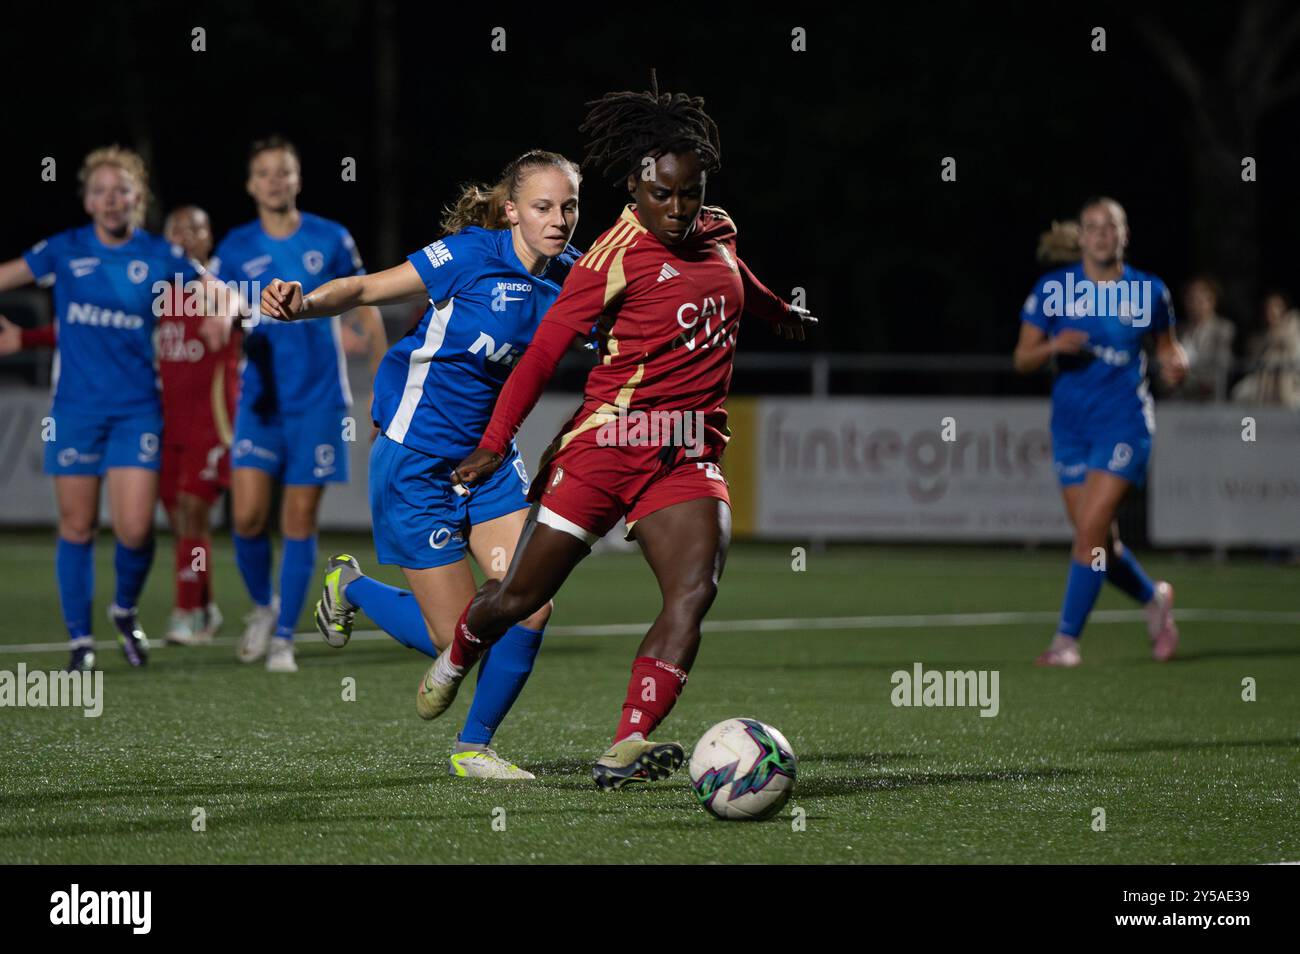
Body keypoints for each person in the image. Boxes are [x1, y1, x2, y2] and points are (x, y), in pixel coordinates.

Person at [411, 76, 817, 790]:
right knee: (516, 597)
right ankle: (457, 652)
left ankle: (627, 741)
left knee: (694, 590)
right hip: (607, 446)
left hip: (687, 449)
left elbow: (735, 280)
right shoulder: (610, 258)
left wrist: (778, 309)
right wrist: (493, 438)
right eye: (663, 194)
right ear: (635, 187)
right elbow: (540, 357)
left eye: (690, 192)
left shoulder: (715, 231)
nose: (679, 208)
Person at [260, 150, 582, 779]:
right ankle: (348, 585)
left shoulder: (572, 276)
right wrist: (302, 303)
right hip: (415, 464)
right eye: (543, 206)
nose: (559, 219)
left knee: (529, 604)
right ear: (512, 210)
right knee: (455, 636)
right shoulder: (467, 255)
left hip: (489, 467)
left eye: (569, 206)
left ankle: (473, 748)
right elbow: (363, 289)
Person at [0, 146, 213, 671]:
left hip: (137, 410)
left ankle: (123, 609)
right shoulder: (64, 249)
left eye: (121, 190)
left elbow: (218, 289)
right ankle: (80, 641)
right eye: (100, 190)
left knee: (136, 530)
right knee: (75, 527)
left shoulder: (159, 255)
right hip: (75, 411)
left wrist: (222, 312)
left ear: (137, 198)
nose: (111, 199)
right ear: (88, 200)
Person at [211, 136, 386, 673]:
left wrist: (383, 390)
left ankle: (285, 635)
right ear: (250, 184)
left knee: (299, 519)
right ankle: (263, 608)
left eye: (283, 171)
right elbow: (215, 306)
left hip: (318, 400)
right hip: (261, 402)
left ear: (297, 178)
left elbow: (364, 308)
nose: (274, 180)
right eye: (263, 172)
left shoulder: (330, 238)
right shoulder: (236, 246)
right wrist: (222, 316)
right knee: (245, 518)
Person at [1013, 196, 1189, 667]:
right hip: (1072, 428)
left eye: (1110, 227)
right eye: (1092, 227)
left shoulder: (1150, 291)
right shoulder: (1054, 290)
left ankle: (1065, 643)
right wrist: (1054, 345)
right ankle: (1154, 599)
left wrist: (1177, 367)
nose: (1101, 235)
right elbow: (1022, 359)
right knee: (1100, 546)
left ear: (1124, 235)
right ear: (1081, 237)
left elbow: (1170, 352)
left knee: (1089, 533)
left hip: (1126, 424)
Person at [1231, 290, 1300, 409]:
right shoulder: (1258, 338)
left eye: (1277, 306)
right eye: (1269, 307)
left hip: (1292, 381)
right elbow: (1253, 364)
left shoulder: (1294, 330)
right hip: (1262, 382)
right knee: (1239, 393)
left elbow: (1295, 357)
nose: (1272, 311)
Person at [1170, 275, 1235, 402]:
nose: (1195, 303)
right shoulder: (1178, 331)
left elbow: (1222, 366)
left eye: (1201, 298)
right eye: (1191, 298)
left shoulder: (1224, 329)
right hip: (1178, 399)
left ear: (1213, 300)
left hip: (1209, 398)